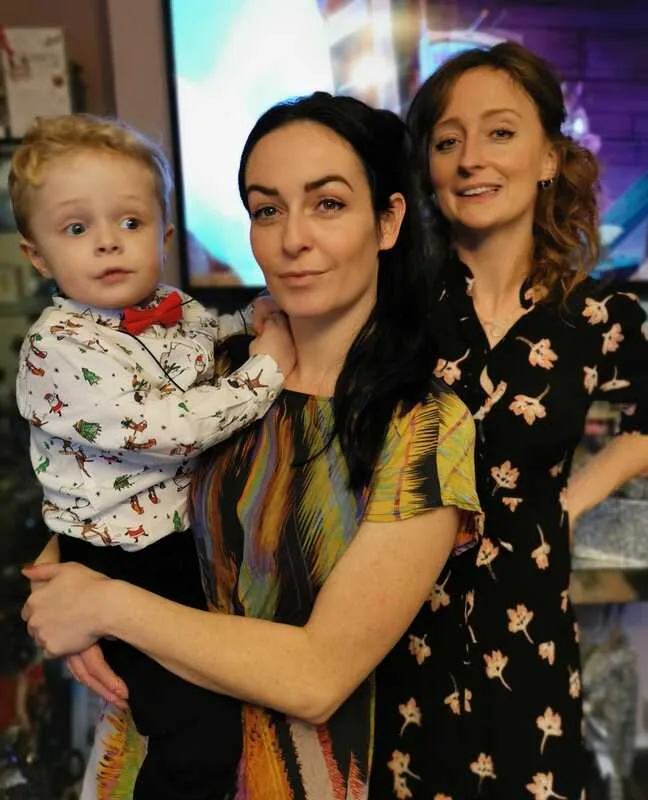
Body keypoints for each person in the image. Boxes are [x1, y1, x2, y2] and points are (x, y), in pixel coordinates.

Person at [21, 92, 481, 799]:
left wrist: (103, 605)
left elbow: (316, 676)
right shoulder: (209, 368)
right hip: (148, 755)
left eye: (328, 204)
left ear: (387, 221)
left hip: (299, 775)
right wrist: (60, 576)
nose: (292, 238)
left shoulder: (424, 427)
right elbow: (111, 478)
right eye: (267, 210)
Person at [368, 42, 648, 799]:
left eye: (499, 132)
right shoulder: (389, 306)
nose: (470, 159)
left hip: (530, 634)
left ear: (549, 157)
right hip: (392, 629)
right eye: (447, 141)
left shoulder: (598, 316)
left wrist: (571, 502)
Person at [11, 113, 296, 799]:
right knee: (196, 736)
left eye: (131, 222)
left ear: (165, 237)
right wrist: (266, 370)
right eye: (76, 228)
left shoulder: (171, 305)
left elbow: (204, 342)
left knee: (229, 692)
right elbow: (166, 427)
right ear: (37, 256)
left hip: (181, 541)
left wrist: (250, 322)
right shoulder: (56, 349)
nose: (108, 241)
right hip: (119, 555)